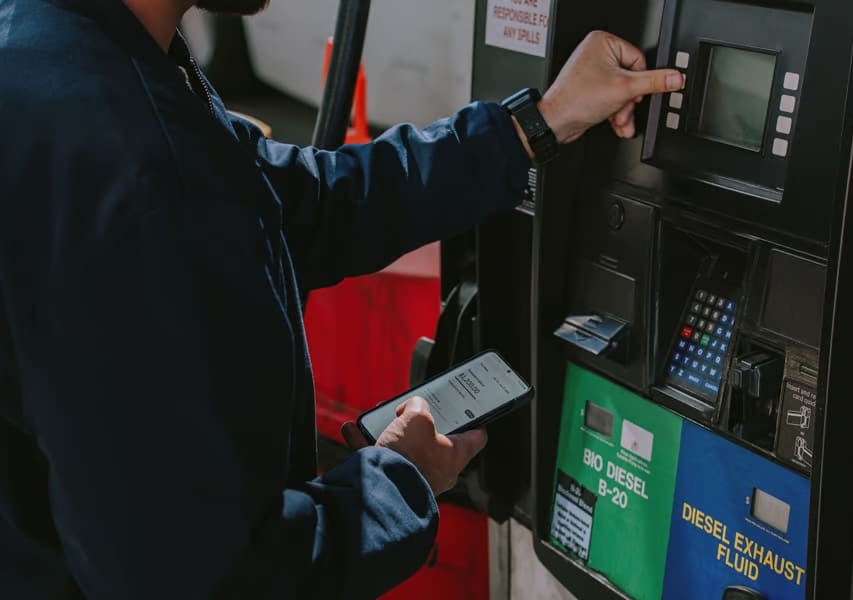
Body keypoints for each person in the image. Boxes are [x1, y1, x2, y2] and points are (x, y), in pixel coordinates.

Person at [0, 0, 684, 597]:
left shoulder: (57, 49)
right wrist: (398, 482)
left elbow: (306, 203)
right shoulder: (137, 165)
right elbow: (206, 582)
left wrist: (538, 123)